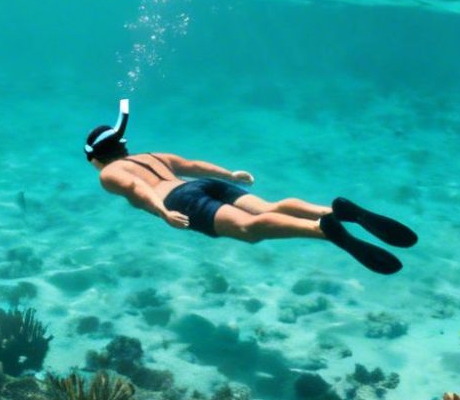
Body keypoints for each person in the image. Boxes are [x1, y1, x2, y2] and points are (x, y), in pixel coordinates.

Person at [83, 100, 417, 274]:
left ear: (97, 157)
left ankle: (322, 229)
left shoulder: (109, 173)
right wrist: (231, 174)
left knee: (249, 229)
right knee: (267, 208)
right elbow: (194, 165)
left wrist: (163, 211)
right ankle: (333, 212)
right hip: (203, 185)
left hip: (180, 200)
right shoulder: (151, 155)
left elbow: (137, 190)